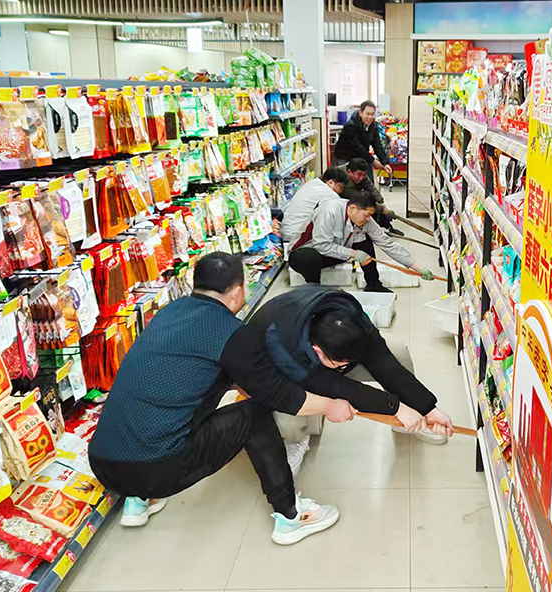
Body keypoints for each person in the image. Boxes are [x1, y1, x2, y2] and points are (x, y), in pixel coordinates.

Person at [88, 252, 356, 545]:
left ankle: (138, 500)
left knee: (166, 404)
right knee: (253, 414)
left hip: (104, 464)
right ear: (237, 292)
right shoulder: (230, 332)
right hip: (157, 467)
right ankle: (291, 515)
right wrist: (330, 405)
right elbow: (275, 394)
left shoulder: (168, 312)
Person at [249, 284, 455, 445]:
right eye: (341, 366)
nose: (346, 369)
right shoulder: (280, 343)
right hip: (278, 370)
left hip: (314, 349)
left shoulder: (348, 310)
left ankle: (409, 422)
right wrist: (396, 408)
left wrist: (426, 407)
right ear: (317, 351)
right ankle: (294, 443)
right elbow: (335, 385)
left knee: (397, 351)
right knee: (290, 424)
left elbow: (381, 358)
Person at [288, 190, 434, 293]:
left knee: (365, 241)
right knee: (309, 258)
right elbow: (321, 245)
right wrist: (354, 254)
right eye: (367, 215)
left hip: (334, 253)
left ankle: (373, 284)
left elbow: (387, 243)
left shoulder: (364, 219)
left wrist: (417, 267)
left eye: (371, 215)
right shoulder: (329, 211)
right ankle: (314, 291)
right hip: (303, 254)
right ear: (353, 208)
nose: (368, 219)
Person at [281, 167, 348, 247]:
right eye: (340, 187)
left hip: (287, 231)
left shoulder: (311, 184)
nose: (341, 191)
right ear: (330, 183)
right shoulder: (329, 194)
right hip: (296, 236)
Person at [342, 157, 404, 237]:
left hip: (353, 196)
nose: (361, 178)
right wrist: (382, 209)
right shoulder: (342, 179)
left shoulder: (360, 173)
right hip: (342, 203)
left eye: (364, 175)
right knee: (368, 209)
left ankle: (387, 227)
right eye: (359, 175)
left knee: (374, 202)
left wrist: (381, 201)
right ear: (349, 172)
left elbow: (370, 187)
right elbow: (358, 199)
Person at [334, 100, 392, 179]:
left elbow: (377, 144)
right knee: (347, 181)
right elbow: (358, 147)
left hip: (362, 157)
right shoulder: (351, 126)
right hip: (346, 158)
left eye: (372, 114)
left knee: (368, 181)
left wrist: (385, 163)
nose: (370, 117)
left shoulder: (373, 125)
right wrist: (372, 161)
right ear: (360, 113)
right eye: (367, 114)